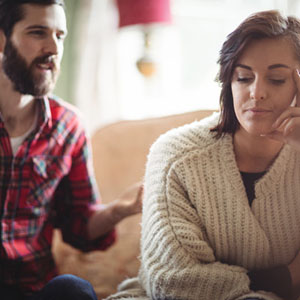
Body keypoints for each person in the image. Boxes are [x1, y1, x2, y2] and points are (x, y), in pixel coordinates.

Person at [106, 10, 300, 300]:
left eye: (276, 79)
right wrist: (287, 278)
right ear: (227, 83)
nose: (256, 92)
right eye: (243, 77)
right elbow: (170, 282)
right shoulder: (175, 156)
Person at [0, 0, 143, 299]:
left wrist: (121, 210)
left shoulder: (68, 126)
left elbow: (79, 228)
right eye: (38, 32)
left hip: (32, 288)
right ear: (2, 39)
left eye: (60, 36)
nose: (53, 47)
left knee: (74, 290)